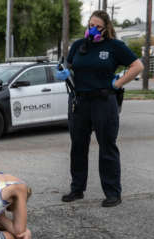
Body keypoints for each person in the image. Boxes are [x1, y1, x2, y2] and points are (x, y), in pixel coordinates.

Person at [56, 11, 144, 207]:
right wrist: (62, 71)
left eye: (97, 26)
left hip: (104, 101)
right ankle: (77, 189)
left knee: (107, 146)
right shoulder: (79, 45)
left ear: (106, 29)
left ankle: (113, 193)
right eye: (90, 25)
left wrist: (118, 83)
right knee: (78, 146)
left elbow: (137, 66)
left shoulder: (114, 46)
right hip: (79, 102)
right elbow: (68, 66)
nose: (92, 29)